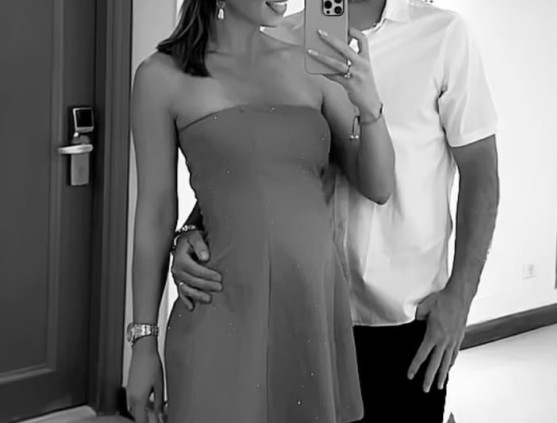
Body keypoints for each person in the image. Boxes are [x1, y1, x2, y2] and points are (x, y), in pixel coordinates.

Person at [172, 0, 500, 421]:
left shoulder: (443, 35)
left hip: (405, 320)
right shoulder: (280, 36)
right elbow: (253, 163)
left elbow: (482, 177)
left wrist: (460, 299)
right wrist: (192, 230)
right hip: (303, 312)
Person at [125, 0, 396, 421]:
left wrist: (369, 102)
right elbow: (156, 213)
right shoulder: (160, 77)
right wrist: (144, 341)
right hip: (221, 304)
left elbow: (378, 185)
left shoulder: (312, 64)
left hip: (311, 310)